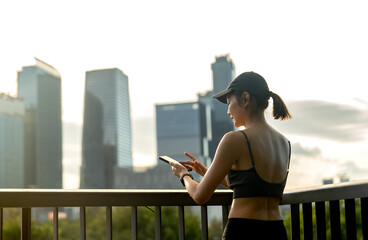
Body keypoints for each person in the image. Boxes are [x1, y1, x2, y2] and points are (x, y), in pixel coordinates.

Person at [169, 71, 292, 239]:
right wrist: (207, 173)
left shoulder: (234, 139)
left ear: (245, 99)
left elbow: (199, 196)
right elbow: (252, 187)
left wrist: (183, 175)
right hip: (276, 231)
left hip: (243, 231)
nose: (228, 111)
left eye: (229, 103)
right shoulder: (285, 143)